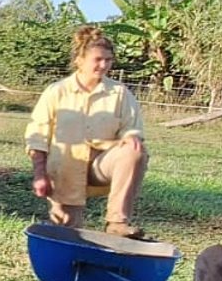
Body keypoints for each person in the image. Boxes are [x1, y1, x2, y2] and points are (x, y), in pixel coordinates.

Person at [25, 26, 150, 238]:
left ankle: (117, 223)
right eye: (98, 59)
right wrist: (39, 174)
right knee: (67, 234)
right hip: (66, 170)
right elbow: (37, 136)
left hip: (102, 164)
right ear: (79, 61)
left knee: (135, 151)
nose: (103, 65)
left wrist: (131, 137)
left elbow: (132, 127)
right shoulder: (57, 91)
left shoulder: (119, 93)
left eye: (108, 60)